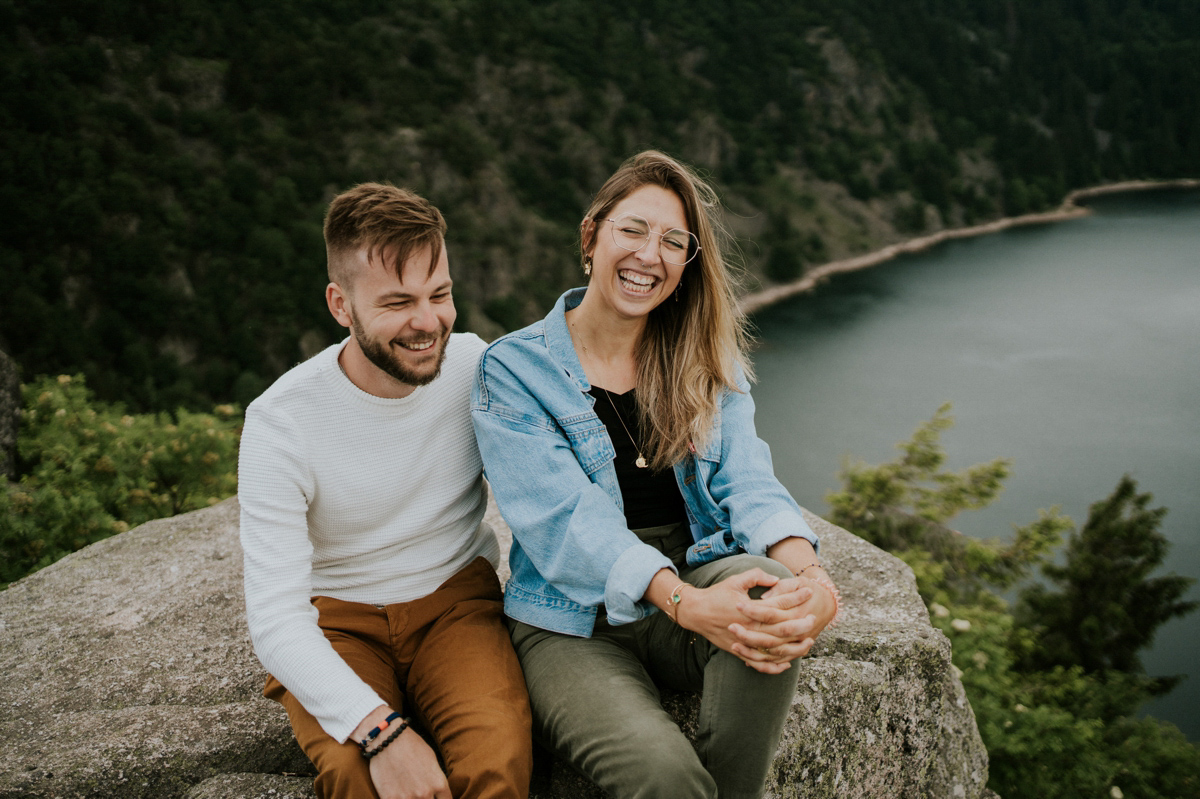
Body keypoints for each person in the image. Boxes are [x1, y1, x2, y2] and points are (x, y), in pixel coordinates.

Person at [471, 151, 841, 799]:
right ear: (591, 236)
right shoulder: (514, 371)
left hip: (694, 564)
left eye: (674, 241)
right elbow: (566, 523)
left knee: (773, 595)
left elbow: (748, 482)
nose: (651, 254)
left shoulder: (700, 358)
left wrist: (813, 578)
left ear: (686, 265)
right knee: (662, 775)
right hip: (570, 618)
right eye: (633, 229)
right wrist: (689, 605)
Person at [239, 183, 532, 799]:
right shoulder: (280, 422)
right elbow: (275, 618)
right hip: (336, 623)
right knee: (354, 775)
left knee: (497, 761)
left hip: (454, 602)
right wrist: (382, 733)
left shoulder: (477, 367)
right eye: (398, 302)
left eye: (441, 294)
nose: (428, 323)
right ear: (340, 305)